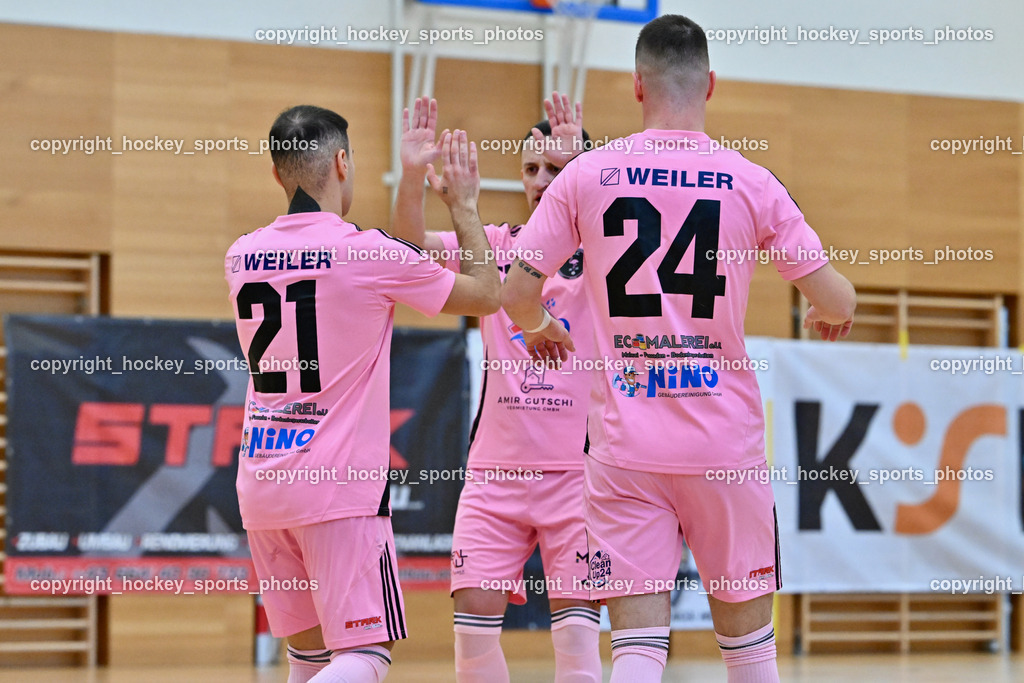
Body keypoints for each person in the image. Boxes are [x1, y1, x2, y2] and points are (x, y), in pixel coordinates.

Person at [501, 14, 856, 683]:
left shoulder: (586, 176)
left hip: (626, 449)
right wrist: (824, 309)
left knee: (636, 650)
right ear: (711, 84)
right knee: (749, 653)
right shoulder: (751, 181)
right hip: (723, 446)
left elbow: (518, 291)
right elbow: (840, 301)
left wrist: (542, 325)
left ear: (637, 86)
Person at [224, 105, 499, 683]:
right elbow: (486, 295)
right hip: (336, 491)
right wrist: (465, 205)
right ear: (342, 162)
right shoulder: (367, 253)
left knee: (310, 658)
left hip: (263, 488)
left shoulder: (241, 255)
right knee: (363, 657)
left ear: (279, 175)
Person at [390, 94, 602, 682]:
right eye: (532, 169)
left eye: (555, 169)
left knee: (579, 648)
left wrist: (583, 166)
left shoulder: (609, 257)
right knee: (473, 643)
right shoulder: (498, 245)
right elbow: (408, 251)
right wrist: (411, 176)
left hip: (577, 478)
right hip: (495, 477)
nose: (541, 180)